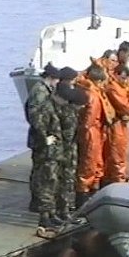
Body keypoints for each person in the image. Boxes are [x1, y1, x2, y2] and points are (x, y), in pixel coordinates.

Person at [76, 65, 115, 208]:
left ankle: (90, 196)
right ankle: (82, 201)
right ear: (99, 81)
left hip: (95, 131)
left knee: (95, 165)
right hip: (92, 132)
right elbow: (90, 117)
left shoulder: (88, 91)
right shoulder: (93, 95)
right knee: (88, 166)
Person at [25, 63, 60, 213]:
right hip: (40, 137)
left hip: (40, 135)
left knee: (39, 169)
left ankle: (37, 201)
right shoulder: (39, 91)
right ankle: (38, 201)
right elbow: (35, 116)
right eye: (56, 79)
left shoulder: (45, 89)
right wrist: (44, 136)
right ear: (51, 78)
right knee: (40, 170)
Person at [53, 67, 86, 217]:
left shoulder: (64, 105)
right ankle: (63, 210)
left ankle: (63, 208)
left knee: (66, 179)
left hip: (67, 148)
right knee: (65, 179)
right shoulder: (68, 115)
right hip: (64, 151)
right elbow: (67, 136)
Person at [104, 64, 129, 183]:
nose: (125, 81)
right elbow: (124, 107)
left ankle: (118, 176)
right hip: (115, 124)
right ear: (116, 75)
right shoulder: (112, 88)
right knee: (116, 153)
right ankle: (118, 179)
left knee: (121, 151)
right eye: (123, 78)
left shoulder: (123, 86)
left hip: (121, 124)